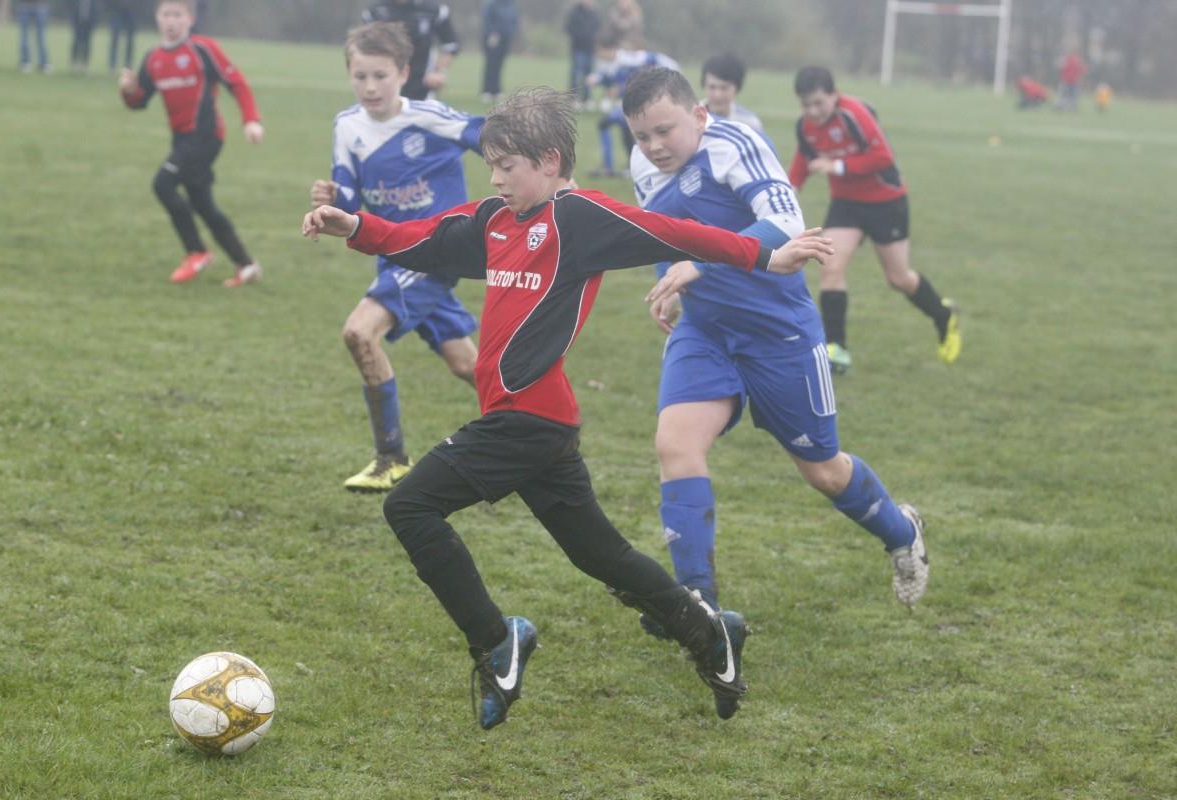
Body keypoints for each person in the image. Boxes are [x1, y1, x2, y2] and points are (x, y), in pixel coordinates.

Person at [302, 86, 835, 729]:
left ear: (549, 162)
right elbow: (424, 241)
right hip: (543, 424)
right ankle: (709, 632)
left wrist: (765, 253)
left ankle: (497, 641)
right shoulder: (496, 222)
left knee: (409, 505)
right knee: (601, 556)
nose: (495, 177)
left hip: (525, 419)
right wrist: (354, 227)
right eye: (491, 165)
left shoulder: (578, 219)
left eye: (508, 166)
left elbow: (677, 230)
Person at [622, 67, 930, 629]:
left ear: (698, 115)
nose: (654, 147)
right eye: (641, 136)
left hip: (777, 334)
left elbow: (786, 223)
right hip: (707, 331)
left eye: (665, 131)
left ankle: (903, 532)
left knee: (823, 472)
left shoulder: (735, 145)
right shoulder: (643, 166)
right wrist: (670, 280)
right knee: (676, 446)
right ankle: (697, 607)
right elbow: (664, 231)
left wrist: (699, 263)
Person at [309, 22, 483, 494]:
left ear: (404, 73)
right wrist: (331, 197)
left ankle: (391, 458)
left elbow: (488, 136)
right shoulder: (347, 126)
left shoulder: (428, 117)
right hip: (393, 256)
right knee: (467, 365)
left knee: (359, 332)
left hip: (436, 251)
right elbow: (348, 199)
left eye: (380, 76)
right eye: (360, 75)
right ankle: (541, 429)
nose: (370, 87)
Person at [789, 65, 960, 374]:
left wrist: (838, 167)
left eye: (818, 103)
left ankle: (943, 315)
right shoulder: (806, 126)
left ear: (833, 94)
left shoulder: (854, 114)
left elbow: (883, 157)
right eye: (806, 105)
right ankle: (836, 349)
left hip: (885, 201)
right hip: (846, 204)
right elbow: (804, 159)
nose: (813, 111)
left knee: (898, 278)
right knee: (830, 268)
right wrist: (789, 190)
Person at [119, 0, 263, 287]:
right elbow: (139, 101)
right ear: (157, 18)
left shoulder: (202, 49)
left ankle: (196, 252)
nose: (171, 20)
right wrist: (128, 91)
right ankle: (246, 266)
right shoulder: (153, 58)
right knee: (203, 203)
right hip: (182, 140)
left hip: (206, 137)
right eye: (165, 14)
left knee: (163, 184)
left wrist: (250, 119)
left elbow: (236, 82)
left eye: (177, 15)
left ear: (190, 19)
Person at [587, 32, 677, 178]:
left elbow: (657, 61)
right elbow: (607, 76)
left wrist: (672, 78)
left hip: (642, 102)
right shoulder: (612, 62)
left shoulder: (629, 59)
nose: (598, 54)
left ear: (610, 49)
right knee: (626, 129)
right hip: (631, 103)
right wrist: (596, 79)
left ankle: (611, 166)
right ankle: (630, 166)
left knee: (606, 124)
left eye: (600, 51)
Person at [363, 0, 458, 101]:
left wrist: (438, 72)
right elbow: (364, 47)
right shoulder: (374, 11)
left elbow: (450, 45)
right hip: (384, 83)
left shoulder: (435, 10)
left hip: (422, 86)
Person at [701, 52, 764, 134]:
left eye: (724, 88)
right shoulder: (691, 118)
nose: (718, 94)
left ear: (737, 89)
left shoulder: (750, 123)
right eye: (712, 87)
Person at [563, 0, 599, 108]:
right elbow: (568, 28)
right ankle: (573, 98)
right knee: (576, 74)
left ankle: (586, 98)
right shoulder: (574, 12)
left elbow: (598, 27)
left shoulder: (594, 13)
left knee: (589, 74)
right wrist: (579, 36)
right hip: (578, 48)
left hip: (590, 48)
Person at [17, 0, 50, 73]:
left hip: (40, 5)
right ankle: (25, 62)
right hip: (25, 5)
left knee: (41, 37)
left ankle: (43, 63)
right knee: (24, 36)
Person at [106, 0, 139, 71]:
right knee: (115, 38)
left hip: (131, 11)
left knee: (130, 40)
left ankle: (128, 64)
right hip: (117, 10)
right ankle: (112, 64)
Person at [69, 0, 97, 73]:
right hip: (77, 23)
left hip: (88, 24)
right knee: (76, 43)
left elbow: (95, 11)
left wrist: (93, 24)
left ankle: (85, 65)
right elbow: (72, 9)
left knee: (87, 44)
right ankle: (74, 64)